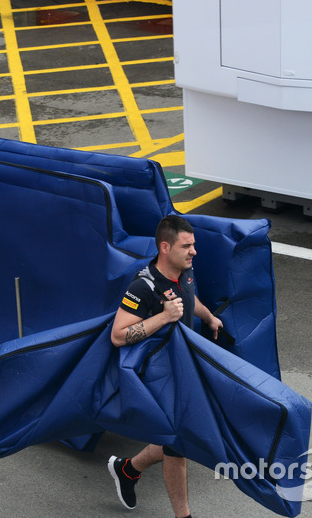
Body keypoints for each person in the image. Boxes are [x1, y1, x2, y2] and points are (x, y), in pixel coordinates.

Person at [107, 215, 223, 518]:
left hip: (183, 371)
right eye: (186, 246)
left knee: (181, 438)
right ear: (164, 247)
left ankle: (128, 469)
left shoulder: (184, 271)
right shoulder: (143, 286)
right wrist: (164, 316)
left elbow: (188, 297)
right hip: (157, 377)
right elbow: (118, 336)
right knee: (178, 444)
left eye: (193, 245)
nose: (193, 251)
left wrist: (208, 317)